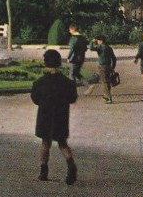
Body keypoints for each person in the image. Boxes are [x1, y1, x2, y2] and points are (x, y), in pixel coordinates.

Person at [31, 49, 79, 185]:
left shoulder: (40, 82)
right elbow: (72, 98)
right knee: (62, 143)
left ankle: (43, 171)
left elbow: (35, 99)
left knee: (45, 143)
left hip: (45, 115)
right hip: (61, 115)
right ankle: (70, 164)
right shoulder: (67, 82)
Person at [86, 35, 117, 103]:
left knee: (104, 82)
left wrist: (92, 41)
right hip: (108, 66)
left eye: (97, 41)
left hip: (102, 66)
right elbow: (114, 58)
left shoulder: (101, 47)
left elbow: (91, 48)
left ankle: (108, 97)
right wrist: (112, 67)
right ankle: (106, 96)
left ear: (101, 41)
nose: (97, 42)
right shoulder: (109, 48)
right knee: (107, 81)